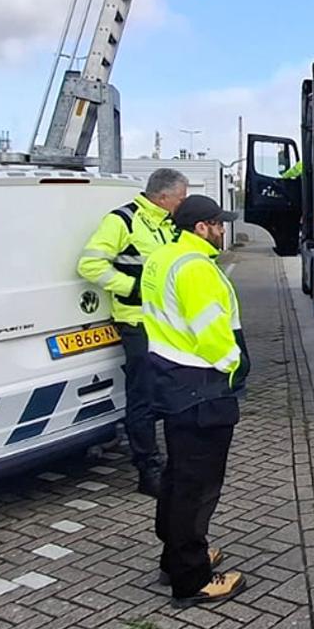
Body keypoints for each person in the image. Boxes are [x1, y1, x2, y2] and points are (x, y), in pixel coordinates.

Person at [141, 195, 250, 605]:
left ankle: (175, 557)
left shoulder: (163, 257)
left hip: (171, 378)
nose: (223, 230)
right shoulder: (196, 268)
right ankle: (192, 579)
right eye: (218, 224)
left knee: (178, 476)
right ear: (201, 227)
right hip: (202, 385)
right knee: (198, 486)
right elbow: (211, 333)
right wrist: (235, 367)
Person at [78, 168, 187, 496]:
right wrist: (133, 287)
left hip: (167, 324)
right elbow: (90, 265)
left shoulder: (168, 224)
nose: (182, 203)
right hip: (137, 322)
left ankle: (169, 462)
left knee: (169, 393)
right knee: (143, 397)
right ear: (163, 197)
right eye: (180, 198)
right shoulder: (122, 221)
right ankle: (148, 469)